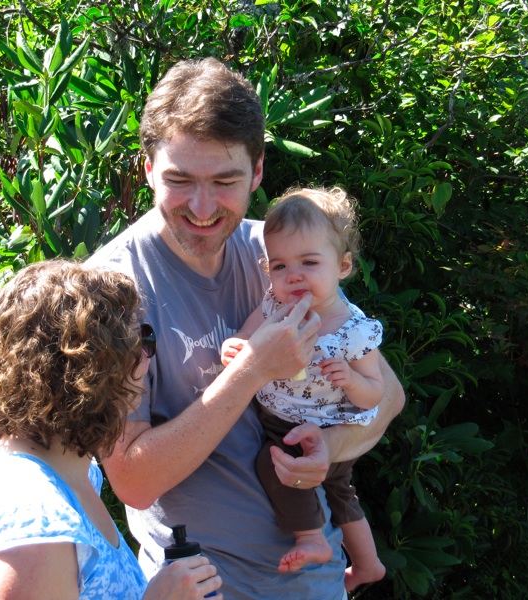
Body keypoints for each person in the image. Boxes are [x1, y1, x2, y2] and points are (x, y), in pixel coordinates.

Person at [88, 57, 404, 600]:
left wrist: (329, 445)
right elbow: (133, 482)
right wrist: (254, 367)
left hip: (317, 579)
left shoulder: (280, 258)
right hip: (206, 585)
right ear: (145, 167)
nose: (203, 208)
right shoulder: (112, 290)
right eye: (179, 180)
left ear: (258, 171)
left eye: (226, 181)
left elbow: (389, 397)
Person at [0, 259, 223, 600]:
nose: (148, 356)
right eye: (141, 339)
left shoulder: (68, 473)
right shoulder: (35, 519)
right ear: (91, 370)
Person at [220, 187, 387, 590]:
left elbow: (376, 395)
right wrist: (237, 346)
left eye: (309, 262)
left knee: (274, 465)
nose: (292, 275)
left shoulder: (353, 330)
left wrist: (351, 379)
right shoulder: (276, 305)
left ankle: (312, 538)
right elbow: (248, 334)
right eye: (279, 266)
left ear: (343, 266)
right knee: (341, 494)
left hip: (317, 427)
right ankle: (369, 567)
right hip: (281, 411)